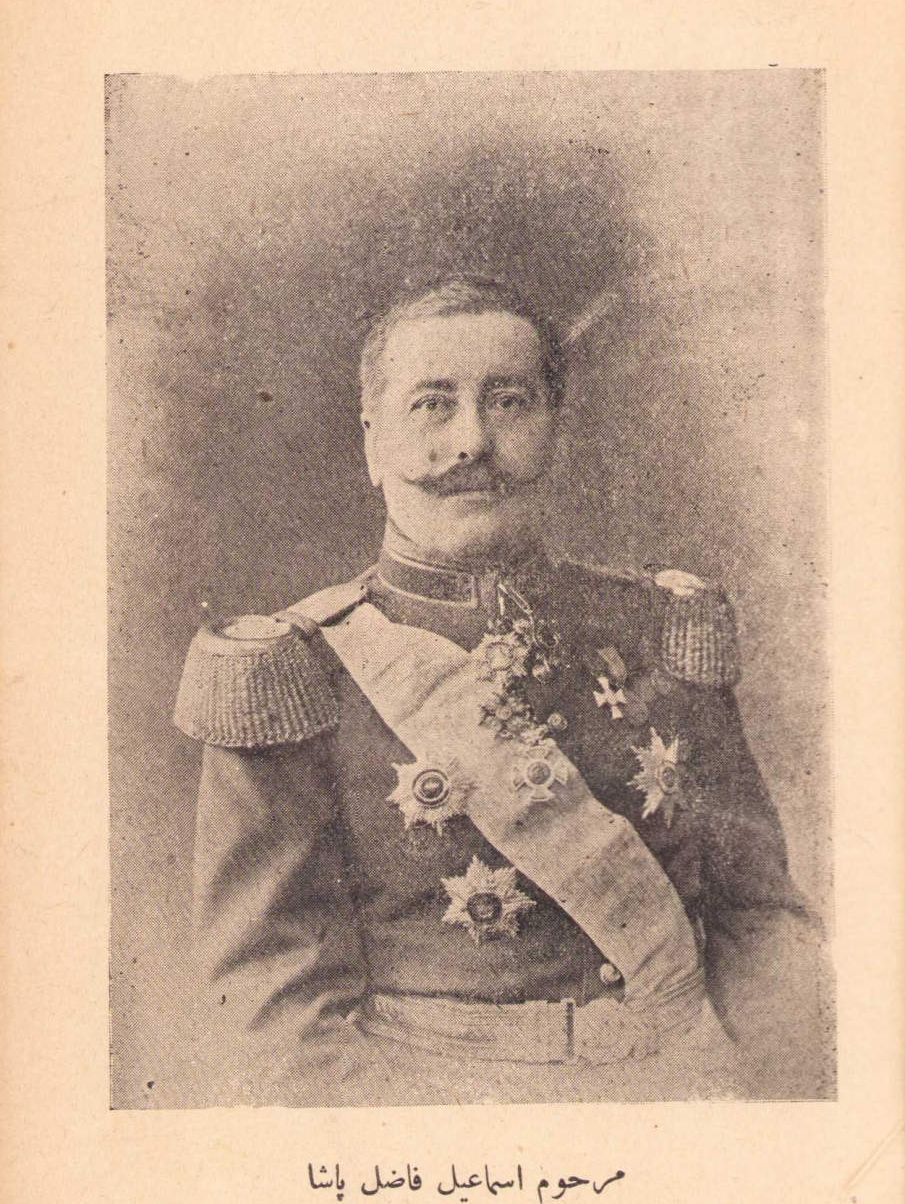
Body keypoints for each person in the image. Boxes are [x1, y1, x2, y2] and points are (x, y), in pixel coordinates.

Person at [173, 277, 832, 1107]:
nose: (472, 443)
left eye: (509, 402)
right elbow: (272, 1008)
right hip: (432, 1118)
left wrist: (779, 1114)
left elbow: (762, 924)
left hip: (676, 1098)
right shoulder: (293, 670)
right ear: (372, 443)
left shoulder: (656, 629)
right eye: (431, 405)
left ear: (556, 429)